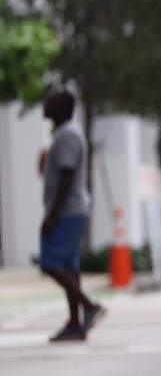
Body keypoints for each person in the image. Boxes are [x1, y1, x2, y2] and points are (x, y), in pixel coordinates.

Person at [39, 91, 106, 342]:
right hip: (72, 211)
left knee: (51, 263)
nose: (47, 103)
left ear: (64, 107)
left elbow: (66, 175)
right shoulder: (65, 133)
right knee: (68, 266)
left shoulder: (67, 134)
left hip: (67, 211)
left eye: (52, 100)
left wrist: (53, 215)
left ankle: (89, 307)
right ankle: (75, 323)